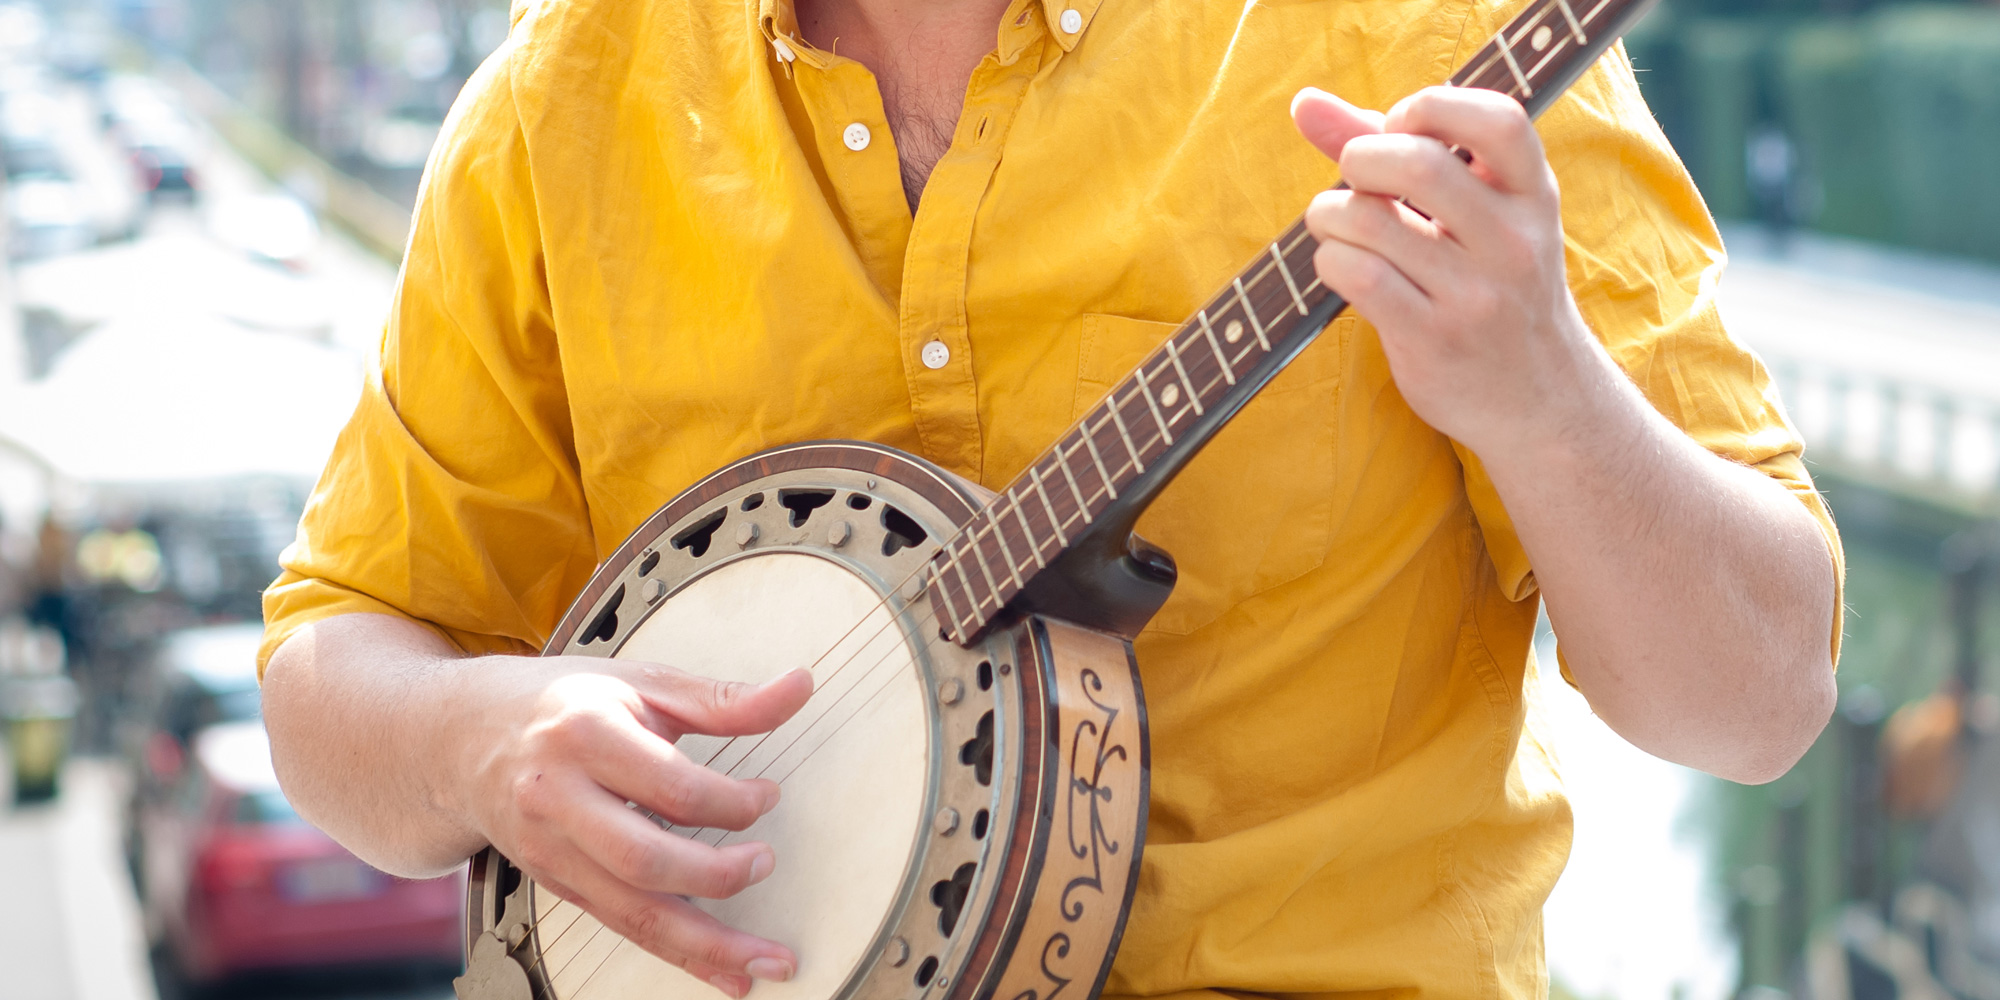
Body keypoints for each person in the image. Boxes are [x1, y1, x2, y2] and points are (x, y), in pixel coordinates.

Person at [258, 0, 1845, 993]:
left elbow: (1760, 698)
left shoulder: (1418, 34)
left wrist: (1543, 389)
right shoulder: (560, 105)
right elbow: (333, 678)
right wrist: (476, 741)